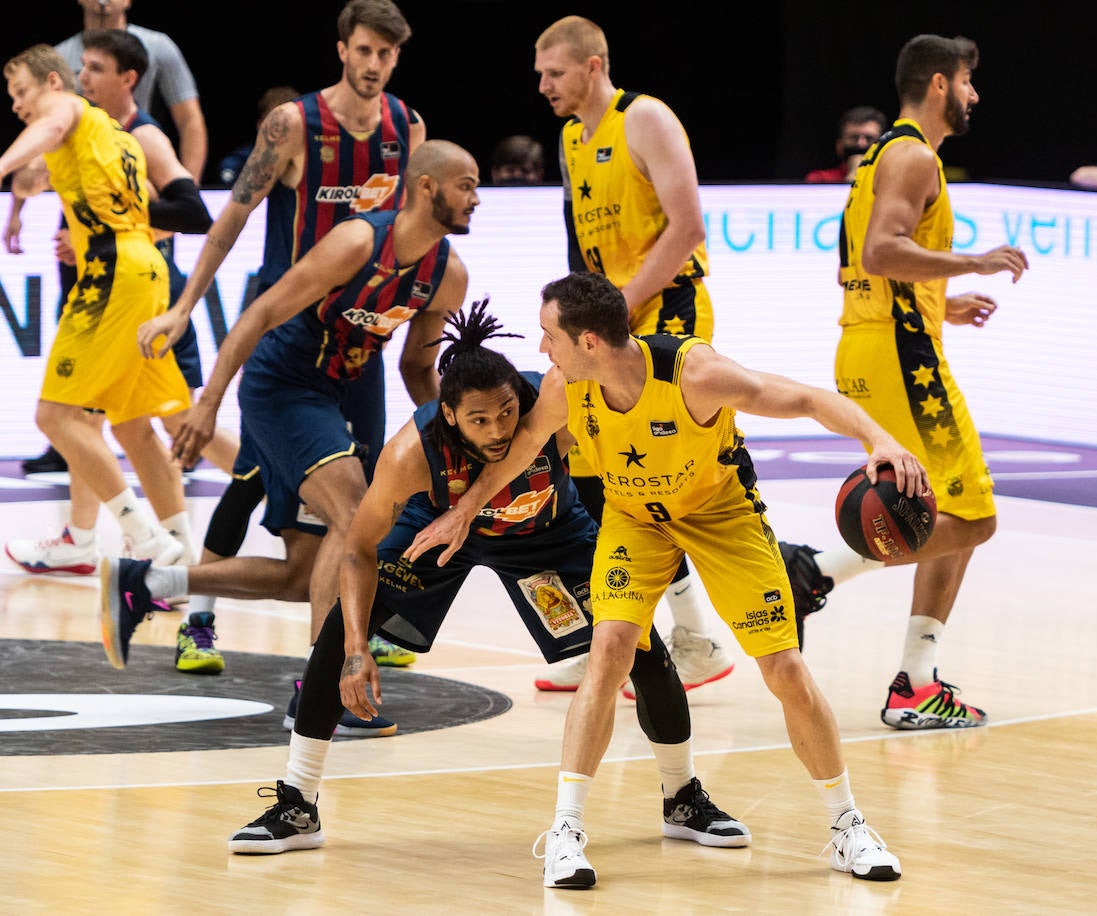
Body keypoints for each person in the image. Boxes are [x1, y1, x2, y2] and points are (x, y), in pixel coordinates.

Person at [104, 301, 748, 856]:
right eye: (479, 421)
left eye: (504, 414)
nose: (497, 431)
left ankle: (682, 798)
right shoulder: (413, 455)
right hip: (435, 537)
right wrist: (358, 649)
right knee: (335, 640)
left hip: (548, 539)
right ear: (449, 417)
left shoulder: (554, 408)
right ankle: (297, 804)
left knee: (641, 647)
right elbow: (355, 550)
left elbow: (633, 464)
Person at [407, 271, 918, 887]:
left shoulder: (695, 375)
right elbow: (523, 451)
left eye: (550, 336)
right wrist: (464, 510)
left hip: (721, 515)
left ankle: (847, 826)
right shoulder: (566, 387)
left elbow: (804, 398)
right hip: (634, 520)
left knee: (782, 667)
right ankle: (567, 831)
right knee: (608, 652)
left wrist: (881, 440)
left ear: (589, 342)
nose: (544, 350)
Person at [100, 140, 476, 736]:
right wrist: (208, 404)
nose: (476, 198)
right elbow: (260, 313)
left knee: (307, 575)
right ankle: (324, 690)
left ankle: (148, 582)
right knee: (355, 518)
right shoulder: (357, 241)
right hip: (286, 382)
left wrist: (455, 440)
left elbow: (414, 369)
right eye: (466, 185)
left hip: (353, 388)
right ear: (426, 187)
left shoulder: (447, 274)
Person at [135, 0, 426, 683]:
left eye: (386, 54)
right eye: (364, 51)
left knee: (339, 529)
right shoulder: (293, 126)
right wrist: (184, 307)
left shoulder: (407, 129)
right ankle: (253, 640)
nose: (374, 65)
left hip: (359, 354)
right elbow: (228, 223)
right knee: (266, 492)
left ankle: (168, 592)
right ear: (341, 49)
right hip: (286, 345)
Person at [786, 34, 1029, 732]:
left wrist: (938, 302)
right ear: (938, 84)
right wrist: (974, 263)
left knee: (949, 513)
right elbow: (882, 251)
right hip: (902, 360)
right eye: (967, 83)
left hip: (879, 342)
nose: (975, 96)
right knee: (975, 516)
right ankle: (814, 572)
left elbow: (867, 270)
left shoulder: (878, 159)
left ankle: (916, 682)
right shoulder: (913, 155)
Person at [531, 14, 735, 696]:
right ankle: (661, 637)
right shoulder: (568, 138)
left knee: (672, 479)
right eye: (540, 73)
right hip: (604, 328)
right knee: (599, 475)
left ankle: (699, 635)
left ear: (593, 66)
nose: (543, 85)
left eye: (553, 72)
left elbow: (688, 227)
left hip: (663, 315)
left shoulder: (645, 118)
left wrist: (614, 310)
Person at [4, 30, 231, 593]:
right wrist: (17, 200)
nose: (17, 104)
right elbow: (39, 172)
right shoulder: (113, 132)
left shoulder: (66, 109)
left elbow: (50, 127)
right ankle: (177, 560)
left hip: (113, 275)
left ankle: (145, 539)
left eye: (19, 91)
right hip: (142, 271)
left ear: (50, 81)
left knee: (57, 418)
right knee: (134, 425)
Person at [54, 0, 208, 182]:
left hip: (141, 163)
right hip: (82, 171)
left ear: (129, 78)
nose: (84, 77)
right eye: (84, 66)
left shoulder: (158, 47)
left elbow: (189, 119)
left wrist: (190, 185)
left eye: (95, 68)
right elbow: (49, 126)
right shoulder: (59, 58)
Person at [215, 84, 301, 188]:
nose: (284, 132)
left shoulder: (315, 164)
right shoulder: (236, 164)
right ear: (260, 125)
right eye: (276, 123)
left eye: (289, 124)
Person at [804, 105, 886, 183]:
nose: (861, 144)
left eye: (869, 138)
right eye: (854, 138)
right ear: (839, 146)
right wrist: (853, 176)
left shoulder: (888, 180)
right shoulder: (820, 179)